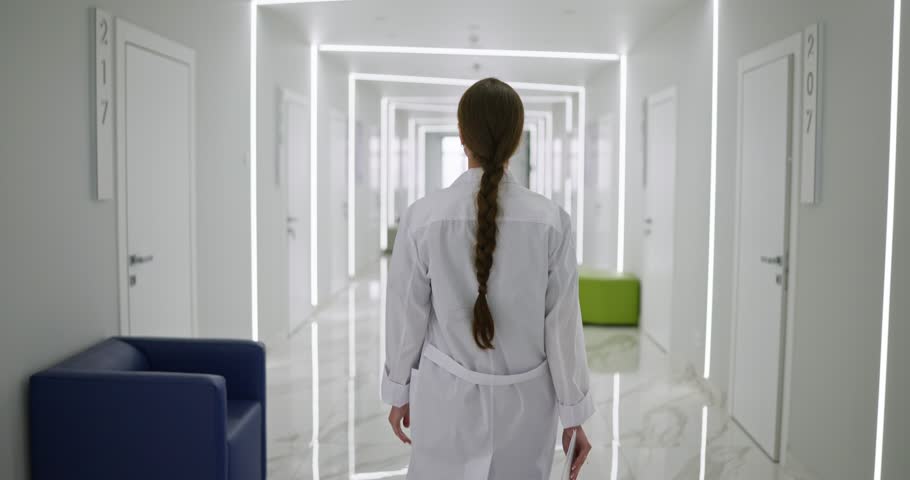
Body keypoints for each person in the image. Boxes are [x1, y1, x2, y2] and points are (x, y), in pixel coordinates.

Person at [381, 78, 594, 480]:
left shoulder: (423, 217)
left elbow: (404, 315)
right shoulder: (551, 221)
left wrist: (398, 391)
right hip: (528, 407)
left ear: (462, 135)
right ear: (517, 139)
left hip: (444, 400)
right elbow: (563, 328)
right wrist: (574, 413)